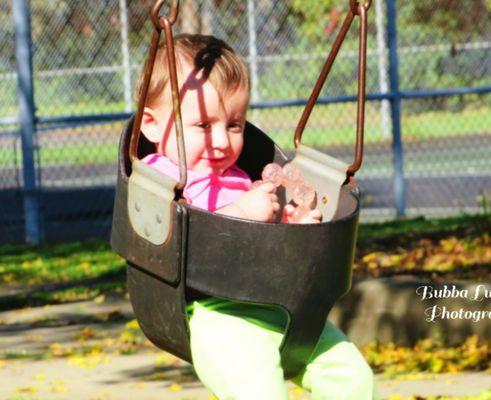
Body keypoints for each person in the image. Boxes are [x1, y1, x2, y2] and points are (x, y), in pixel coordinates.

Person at [137, 33, 376, 400]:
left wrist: (294, 229)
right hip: (222, 318)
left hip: (284, 308)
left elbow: (264, 244)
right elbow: (184, 238)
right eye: (203, 126)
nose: (221, 141)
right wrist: (242, 211)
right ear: (151, 125)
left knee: (353, 379)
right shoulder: (160, 174)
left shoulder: (240, 177)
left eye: (234, 125)